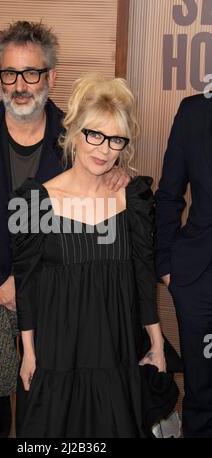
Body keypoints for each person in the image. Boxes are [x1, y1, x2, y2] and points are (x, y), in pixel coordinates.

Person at [0, 21, 128, 438]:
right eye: (10, 73)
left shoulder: (77, 139)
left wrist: (119, 175)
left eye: (32, 73)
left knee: (44, 412)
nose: (20, 85)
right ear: (0, 76)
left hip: (56, 308)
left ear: (51, 77)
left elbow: (104, 174)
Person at [10, 73, 166, 438]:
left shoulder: (134, 199)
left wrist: (156, 341)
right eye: (94, 134)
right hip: (57, 352)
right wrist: (28, 351)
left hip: (116, 348)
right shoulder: (34, 202)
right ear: (73, 131)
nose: (103, 149)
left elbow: (144, 276)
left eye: (115, 139)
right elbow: (26, 283)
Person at [155, 93, 212, 438]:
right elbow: (169, 195)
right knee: (201, 393)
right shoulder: (194, 112)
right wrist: (166, 263)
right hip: (198, 276)